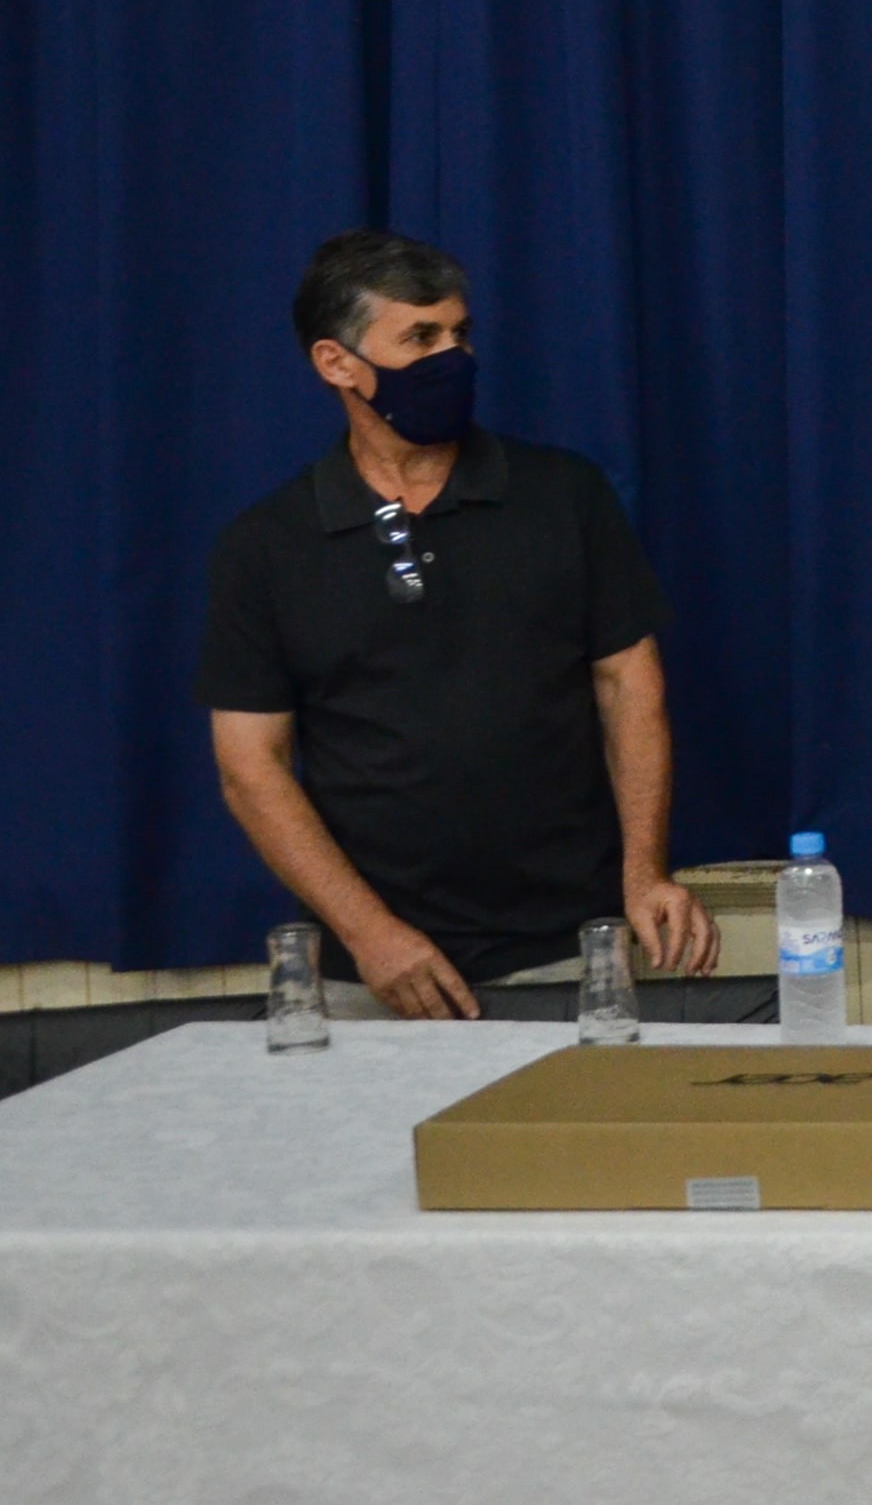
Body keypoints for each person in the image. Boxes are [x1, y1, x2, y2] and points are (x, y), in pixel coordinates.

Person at [199, 230, 716, 1017]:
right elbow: (251, 768)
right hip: (375, 968)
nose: (455, 356)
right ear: (336, 362)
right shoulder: (265, 546)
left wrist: (645, 873)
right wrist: (372, 934)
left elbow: (630, 685)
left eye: (460, 333)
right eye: (420, 337)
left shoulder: (564, 494)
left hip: (570, 949)